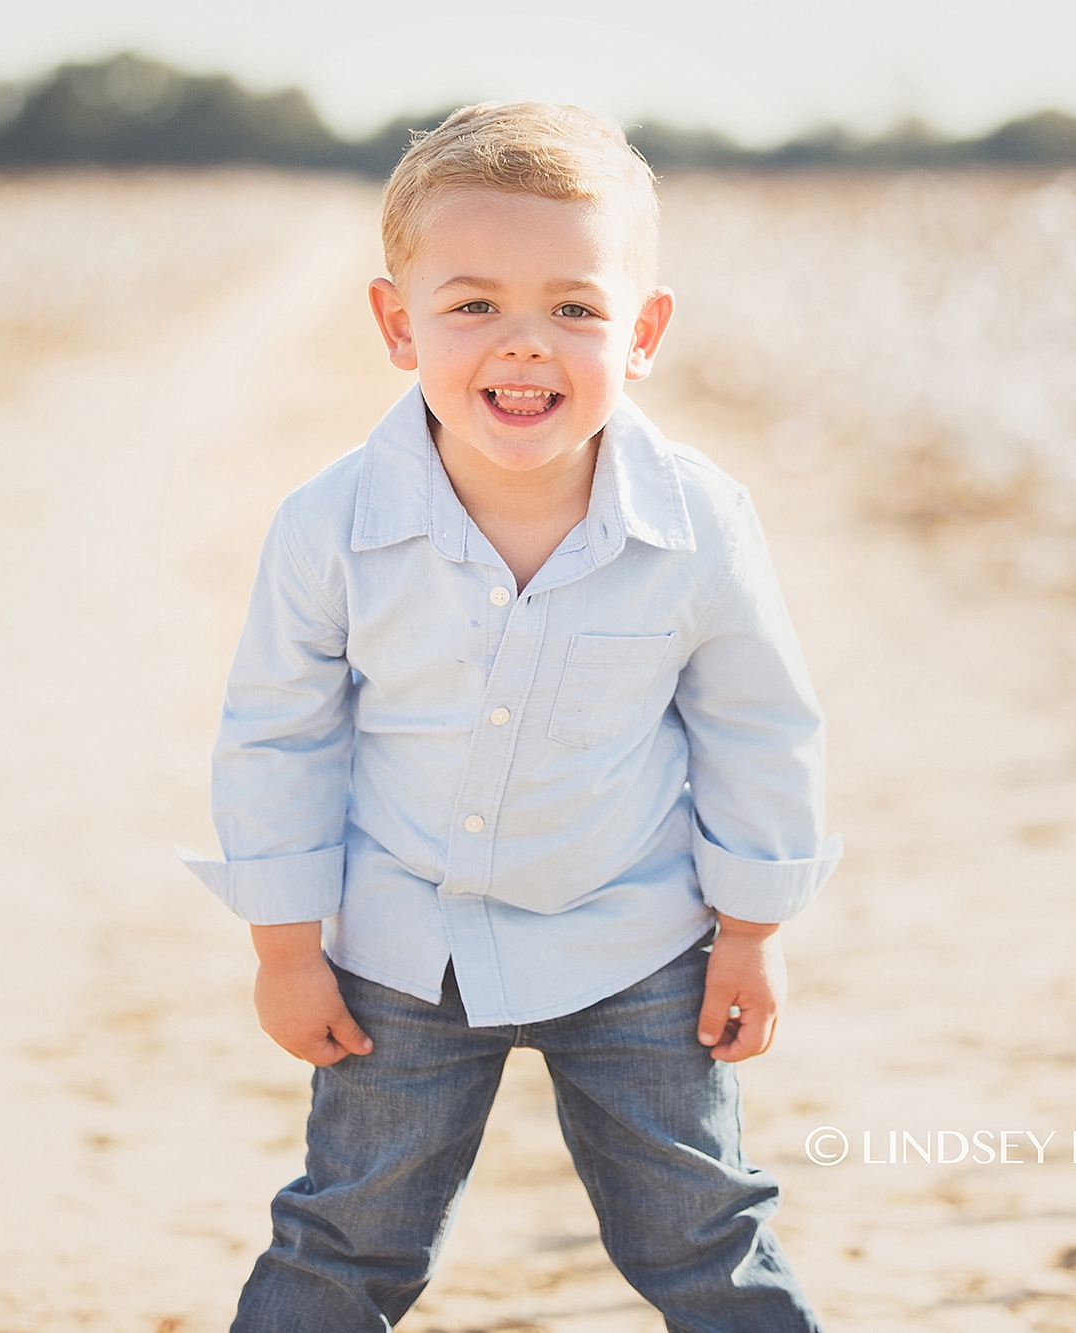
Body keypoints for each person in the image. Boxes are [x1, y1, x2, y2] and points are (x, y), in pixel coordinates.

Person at [179, 100, 840, 1332]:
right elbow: (280, 732)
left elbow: (755, 721)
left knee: (704, 1234)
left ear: (642, 332)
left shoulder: (698, 520)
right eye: (472, 304)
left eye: (574, 309)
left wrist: (749, 927)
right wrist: (283, 945)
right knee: (345, 1238)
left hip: (634, 940)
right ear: (396, 322)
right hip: (401, 950)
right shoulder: (329, 525)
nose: (523, 345)